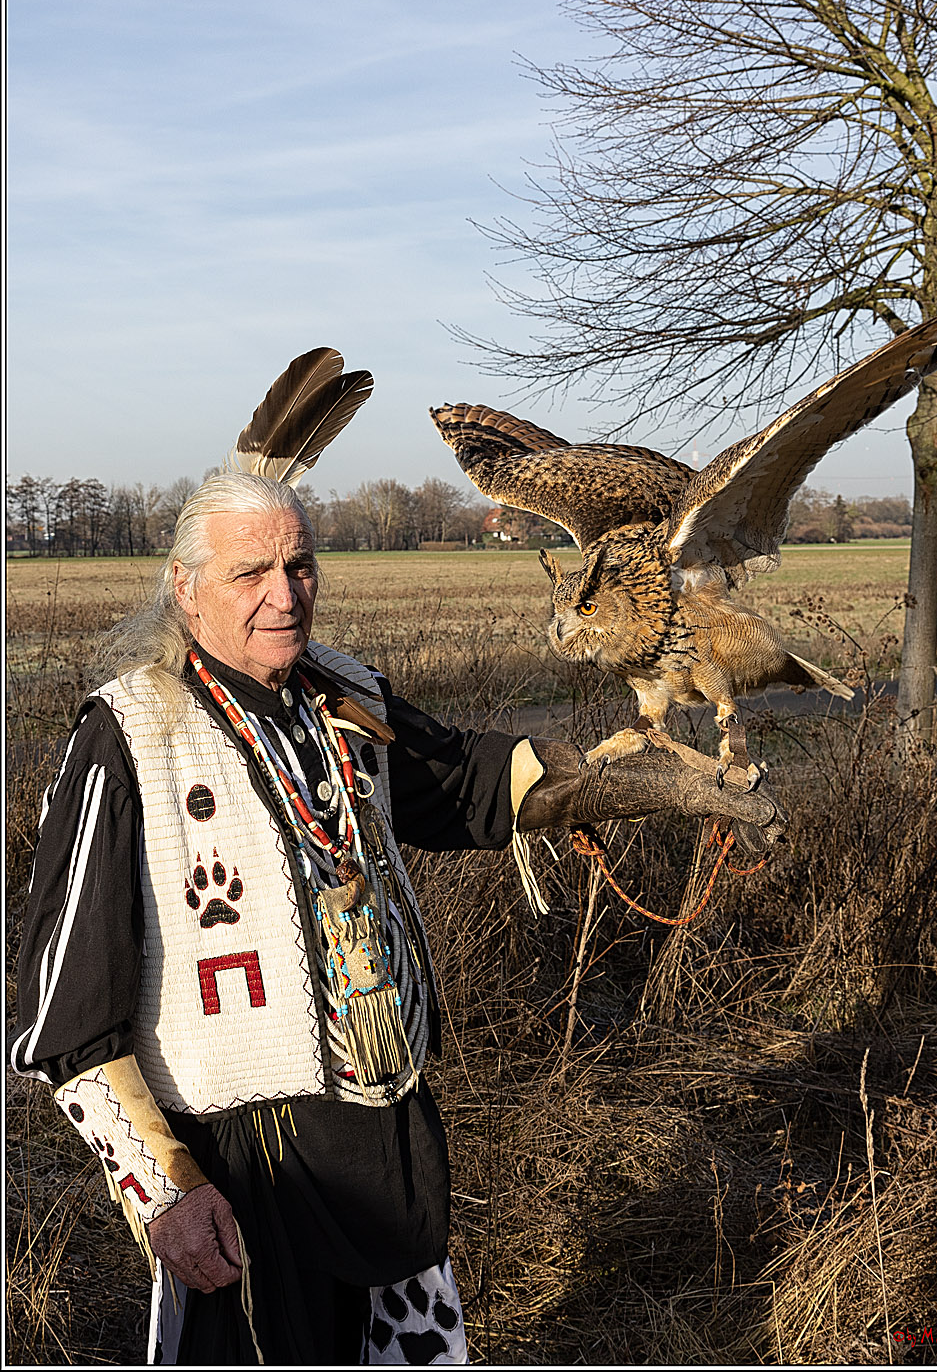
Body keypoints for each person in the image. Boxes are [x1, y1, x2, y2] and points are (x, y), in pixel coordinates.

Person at [12, 470, 785, 1366]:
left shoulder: (349, 697)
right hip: (245, 1164)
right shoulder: (129, 733)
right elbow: (65, 1021)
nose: (283, 593)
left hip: (388, 1140)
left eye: (300, 565)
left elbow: (471, 782)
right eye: (250, 571)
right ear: (186, 589)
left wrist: (670, 785)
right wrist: (167, 1190)